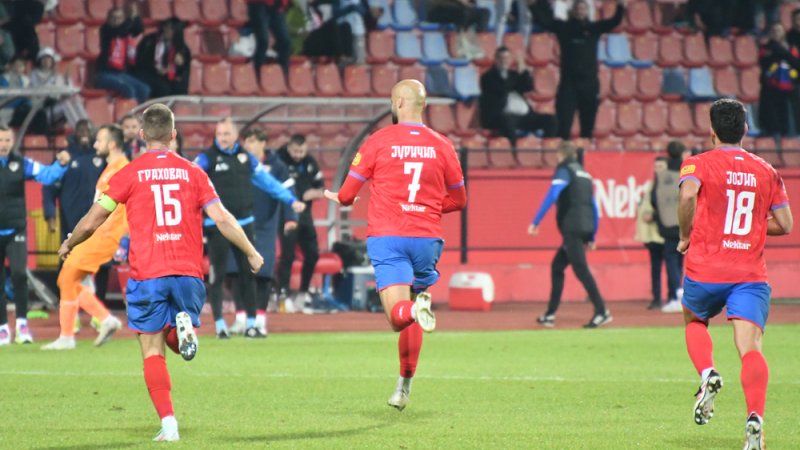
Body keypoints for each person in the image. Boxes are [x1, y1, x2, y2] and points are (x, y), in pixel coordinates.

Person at [56, 103, 265, 442]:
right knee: (176, 336)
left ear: (141, 135)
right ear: (173, 134)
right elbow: (223, 218)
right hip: (188, 274)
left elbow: (95, 218)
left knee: (151, 349)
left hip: (148, 274)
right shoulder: (194, 173)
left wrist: (70, 242)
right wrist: (251, 252)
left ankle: (169, 425)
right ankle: (180, 331)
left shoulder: (129, 173)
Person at [324, 79, 467, 411]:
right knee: (411, 306)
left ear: (399, 102)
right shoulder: (443, 145)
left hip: (389, 237)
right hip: (427, 239)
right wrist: (428, 208)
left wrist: (341, 198)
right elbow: (459, 200)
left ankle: (414, 311)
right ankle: (404, 386)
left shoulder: (379, 140)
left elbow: (347, 195)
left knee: (397, 316)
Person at [677, 98, 792, 450]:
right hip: (749, 273)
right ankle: (755, 420)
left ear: (712, 131)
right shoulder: (767, 171)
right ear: (745, 129)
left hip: (705, 268)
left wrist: (684, 235)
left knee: (694, 320)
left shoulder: (696, 164)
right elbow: (786, 224)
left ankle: (707, 373)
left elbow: (687, 197)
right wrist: (751, 229)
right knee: (750, 347)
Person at [193, 118, 304, 338]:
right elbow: (190, 178)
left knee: (248, 273)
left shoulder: (246, 158)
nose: (222, 138)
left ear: (235, 135)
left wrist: (290, 200)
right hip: (217, 225)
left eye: (226, 134)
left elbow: (267, 182)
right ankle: (220, 326)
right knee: (218, 275)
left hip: (244, 224)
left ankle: (252, 325)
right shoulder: (206, 158)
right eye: (219, 134)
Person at [42, 125, 129, 350]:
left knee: (67, 277)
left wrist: (92, 233)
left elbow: (117, 210)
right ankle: (70, 335)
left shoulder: (121, 169)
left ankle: (101, 321)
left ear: (112, 144)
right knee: (68, 279)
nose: (95, 144)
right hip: (98, 234)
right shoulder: (112, 168)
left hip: (103, 236)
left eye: (100, 140)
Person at [528, 141, 611, 328]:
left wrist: (536, 221)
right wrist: (593, 235)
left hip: (572, 227)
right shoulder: (585, 174)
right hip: (586, 226)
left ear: (560, 155)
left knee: (581, 270)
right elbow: (594, 206)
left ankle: (602, 311)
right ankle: (549, 314)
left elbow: (553, 194)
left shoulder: (564, 170)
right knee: (557, 266)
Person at [0, 126, 71, 345]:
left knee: (19, 274)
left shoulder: (22, 163)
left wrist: (61, 164)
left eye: (7, 140)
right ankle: (3, 328)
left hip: (16, 229)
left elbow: (47, 176)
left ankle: (22, 325)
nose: (4, 144)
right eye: (0, 140)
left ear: (13, 141)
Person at [231, 127, 298, 334]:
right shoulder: (239, 163)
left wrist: (290, 217)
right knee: (236, 271)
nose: (248, 145)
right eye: (246, 141)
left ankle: (260, 318)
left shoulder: (277, 166)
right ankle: (241, 317)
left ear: (263, 143)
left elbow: (287, 190)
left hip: (266, 226)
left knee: (263, 273)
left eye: (252, 141)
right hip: (240, 224)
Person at [533, 0, 625, 140]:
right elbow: (544, 22)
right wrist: (532, 6)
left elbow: (614, 22)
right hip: (568, 84)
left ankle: (584, 152)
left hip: (589, 84)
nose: (580, 11)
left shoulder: (594, 28)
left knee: (587, 129)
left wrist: (620, 6)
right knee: (563, 127)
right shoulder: (564, 27)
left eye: (583, 8)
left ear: (587, 11)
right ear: (573, 11)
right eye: (578, 8)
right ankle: (565, 152)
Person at [277, 134, 324, 312]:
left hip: (305, 217)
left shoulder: (310, 163)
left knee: (313, 254)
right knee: (287, 256)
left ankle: (303, 292)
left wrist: (310, 194)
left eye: (301, 151)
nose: (298, 155)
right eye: (295, 151)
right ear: (289, 148)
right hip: (285, 215)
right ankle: (283, 294)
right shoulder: (279, 160)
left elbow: (320, 189)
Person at [479, 46, 557, 149]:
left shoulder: (513, 75)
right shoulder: (488, 76)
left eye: (507, 58)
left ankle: (548, 151)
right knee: (507, 122)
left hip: (522, 116)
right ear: (496, 59)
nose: (504, 61)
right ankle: (514, 153)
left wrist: (523, 69)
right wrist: (516, 79)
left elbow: (528, 87)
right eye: (501, 58)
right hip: (501, 116)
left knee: (550, 120)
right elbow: (502, 88)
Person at [44, 119, 105, 243]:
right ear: (75, 133)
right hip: (70, 221)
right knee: (70, 252)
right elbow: (49, 188)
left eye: (88, 130)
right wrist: (50, 214)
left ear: (94, 133)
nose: (84, 133)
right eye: (81, 130)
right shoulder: (65, 157)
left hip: (98, 220)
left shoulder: (103, 157)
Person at [651, 141, 689, 313]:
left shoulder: (662, 175)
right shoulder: (688, 171)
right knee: (680, 260)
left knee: (671, 260)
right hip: (685, 223)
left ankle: (676, 294)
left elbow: (654, 199)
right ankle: (680, 294)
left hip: (667, 224)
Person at [94, 6, 150, 103]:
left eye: (119, 18)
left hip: (121, 74)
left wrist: (135, 16)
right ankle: (128, 111)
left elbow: (138, 30)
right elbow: (120, 31)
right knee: (129, 89)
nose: (116, 20)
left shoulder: (124, 29)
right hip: (104, 74)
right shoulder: (105, 30)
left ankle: (140, 111)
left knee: (145, 89)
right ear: (108, 19)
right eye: (113, 18)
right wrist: (130, 19)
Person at [758, 22, 800, 147]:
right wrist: (782, 52)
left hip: (789, 87)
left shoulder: (791, 48)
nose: (776, 33)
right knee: (772, 116)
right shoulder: (765, 48)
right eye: (774, 31)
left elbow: (796, 63)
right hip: (771, 88)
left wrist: (781, 52)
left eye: (779, 31)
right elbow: (764, 62)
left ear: (783, 33)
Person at [634, 156, 666, 310]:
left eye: (661, 166)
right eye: (656, 167)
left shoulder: (672, 186)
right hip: (653, 234)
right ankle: (657, 298)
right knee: (655, 268)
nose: (658, 170)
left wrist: (653, 216)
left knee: (674, 268)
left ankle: (674, 296)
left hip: (667, 233)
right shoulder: (651, 185)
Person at [29, 47, 88, 128]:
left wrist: (67, 79)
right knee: (65, 104)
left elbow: (68, 91)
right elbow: (41, 92)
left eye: (49, 59)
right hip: (42, 111)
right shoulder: (34, 74)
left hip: (56, 107)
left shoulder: (57, 76)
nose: (47, 61)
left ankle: (88, 127)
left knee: (76, 102)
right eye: (44, 59)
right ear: (40, 61)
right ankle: (79, 130)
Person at [134, 18, 191, 98]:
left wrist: (180, 66)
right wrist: (157, 69)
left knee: (179, 89)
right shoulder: (150, 41)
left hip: (169, 78)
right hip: (149, 73)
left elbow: (183, 74)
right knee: (163, 88)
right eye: (165, 27)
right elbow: (140, 62)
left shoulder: (182, 49)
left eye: (170, 29)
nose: (166, 30)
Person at [247, 0, 291, 78]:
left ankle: (283, 76)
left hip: (277, 5)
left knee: (285, 42)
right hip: (258, 4)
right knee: (263, 41)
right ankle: (257, 75)